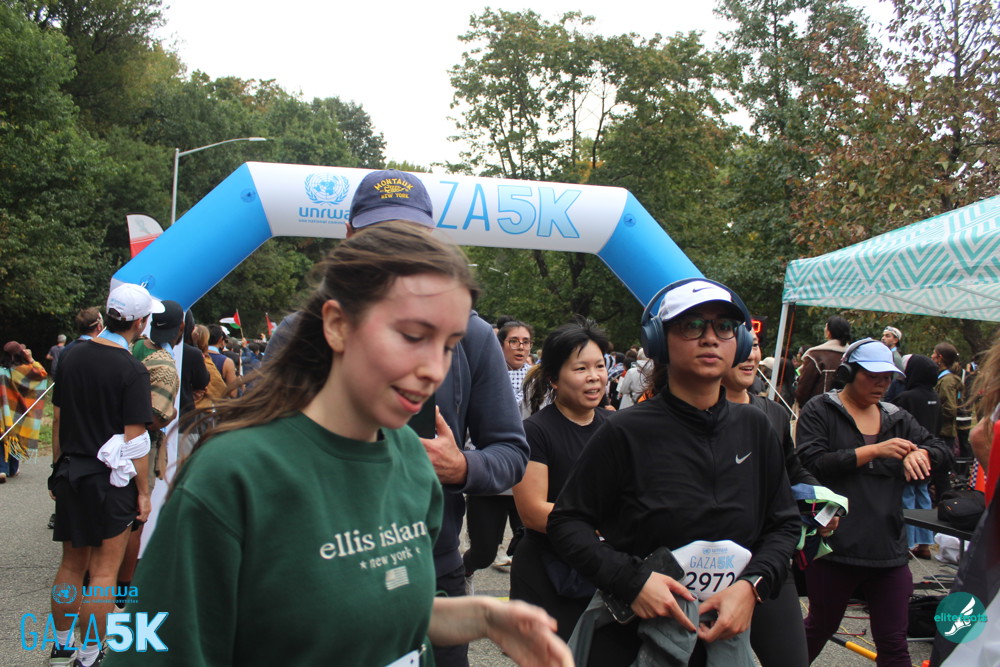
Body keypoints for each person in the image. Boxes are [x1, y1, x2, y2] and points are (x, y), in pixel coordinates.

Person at [106, 223, 571, 667]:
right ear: (337, 325)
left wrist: (480, 617)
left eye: (449, 345)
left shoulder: (412, 460)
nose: (435, 369)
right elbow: (155, 647)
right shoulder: (232, 476)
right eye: (413, 336)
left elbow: (371, 607)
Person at [266, 169, 529, 667]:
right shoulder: (299, 336)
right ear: (349, 239)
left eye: (443, 348)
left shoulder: (473, 336)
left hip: (429, 561)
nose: (428, 369)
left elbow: (512, 451)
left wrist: (461, 467)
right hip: (315, 564)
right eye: (379, 237)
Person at [548, 278, 800, 666]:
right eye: (692, 325)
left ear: (739, 342)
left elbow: (784, 524)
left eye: (724, 327)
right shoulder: (624, 431)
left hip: (728, 629)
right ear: (659, 341)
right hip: (636, 633)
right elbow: (567, 522)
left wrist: (753, 587)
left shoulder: (757, 427)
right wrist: (632, 582)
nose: (710, 338)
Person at [796, 338, 952, 666]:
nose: (881, 384)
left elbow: (941, 448)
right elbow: (811, 462)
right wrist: (874, 451)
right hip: (834, 549)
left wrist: (923, 453)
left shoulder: (897, 418)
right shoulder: (820, 409)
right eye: (873, 376)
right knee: (820, 627)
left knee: (894, 642)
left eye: (887, 378)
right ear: (849, 373)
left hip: (889, 553)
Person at [48, 283, 161, 667]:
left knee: (70, 565)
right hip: (111, 480)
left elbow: (58, 419)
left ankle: (61, 646)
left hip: (72, 472)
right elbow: (136, 441)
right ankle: (90, 654)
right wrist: (143, 493)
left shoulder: (71, 357)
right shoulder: (132, 369)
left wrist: (57, 469)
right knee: (103, 574)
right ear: (140, 323)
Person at [721, 330, 827, 667]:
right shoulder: (693, 417)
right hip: (711, 566)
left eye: (753, 346)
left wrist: (824, 502)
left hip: (769, 559)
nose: (750, 355)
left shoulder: (774, 414)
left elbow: (792, 469)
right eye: (739, 346)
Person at [511, 319, 611, 641]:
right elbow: (533, 511)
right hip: (548, 572)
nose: (594, 376)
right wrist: (604, 522)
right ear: (553, 378)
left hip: (602, 567)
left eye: (599, 366)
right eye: (581, 368)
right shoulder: (535, 432)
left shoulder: (616, 425)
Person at [462, 319, 534, 585]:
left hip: (526, 477)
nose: (520, 347)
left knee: (529, 545)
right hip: (490, 475)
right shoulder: (482, 375)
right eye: (513, 341)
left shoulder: (538, 380)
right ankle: (459, 576)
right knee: (483, 553)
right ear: (500, 344)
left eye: (526, 342)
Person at [889, 354, 941, 559]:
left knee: (907, 498)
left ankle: (908, 543)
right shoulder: (934, 396)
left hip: (908, 455)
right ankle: (925, 543)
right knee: (924, 497)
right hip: (928, 453)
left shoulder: (906, 397)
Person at [1, 341, 48, 482]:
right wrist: (31, 359)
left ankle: (2, 469)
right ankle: (12, 469)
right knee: (16, 438)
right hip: (19, 411)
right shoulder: (24, 370)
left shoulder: (1, 371)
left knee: (3, 437)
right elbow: (42, 373)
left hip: (3, 412)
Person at [795, 315, 851, 408]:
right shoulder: (853, 356)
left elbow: (803, 391)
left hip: (818, 410)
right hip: (849, 411)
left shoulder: (815, 355)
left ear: (828, 332)